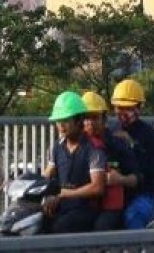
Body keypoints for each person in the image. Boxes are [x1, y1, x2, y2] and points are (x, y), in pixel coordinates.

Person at [41, 90, 106, 233]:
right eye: (58, 121)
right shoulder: (56, 147)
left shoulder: (93, 149)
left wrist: (63, 195)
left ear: (79, 121)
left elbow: (97, 188)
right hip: (60, 207)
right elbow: (46, 176)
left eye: (66, 120)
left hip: (85, 209)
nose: (61, 125)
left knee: (59, 228)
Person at [80, 90, 140, 231]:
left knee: (100, 228)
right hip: (82, 205)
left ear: (104, 119)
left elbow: (138, 178)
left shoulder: (117, 145)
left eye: (95, 117)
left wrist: (120, 179)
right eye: (85, 118)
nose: (90, 123)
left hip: (109, 208)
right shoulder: (75, 145)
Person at [110, 78, 154, 229]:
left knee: (133, 216)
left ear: (139, 108)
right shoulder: (110, 130)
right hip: (115, 191)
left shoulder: (150, 135)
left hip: (144, 193)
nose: (122, 113)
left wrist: (131, 145)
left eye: (127, 108)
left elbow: (150, 173)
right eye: (118, 108)